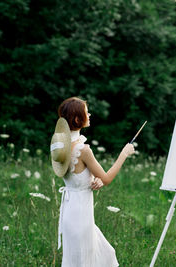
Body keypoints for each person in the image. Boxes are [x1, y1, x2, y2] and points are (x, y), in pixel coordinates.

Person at [56, 96, 134, 267]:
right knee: (87, 261)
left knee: (103, 254)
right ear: (77, 119)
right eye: (86, 113)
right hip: (81, 216)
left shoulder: (59, 145)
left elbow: (76, 178)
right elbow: (106, 179)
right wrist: (124, 154)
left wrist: (93, 179)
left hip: (71, 213)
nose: (89, 115)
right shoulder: (83, 150)